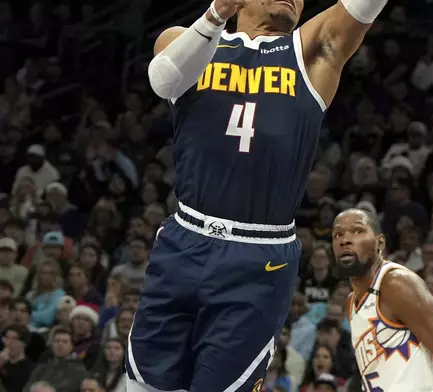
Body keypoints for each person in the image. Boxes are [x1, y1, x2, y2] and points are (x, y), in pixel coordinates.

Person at [127, 0, 389, 390]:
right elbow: (162, 80)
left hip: (258, 256)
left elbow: (361, 7)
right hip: (184, 240)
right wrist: (216, 13)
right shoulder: (186, 39)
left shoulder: (310, 51)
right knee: (146, 384)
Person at [331, 209, 433, 392]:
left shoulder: (395, 284)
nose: (344, 240)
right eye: (338, 234)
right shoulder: (352, 302)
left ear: (380, 243)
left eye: (357, 231)